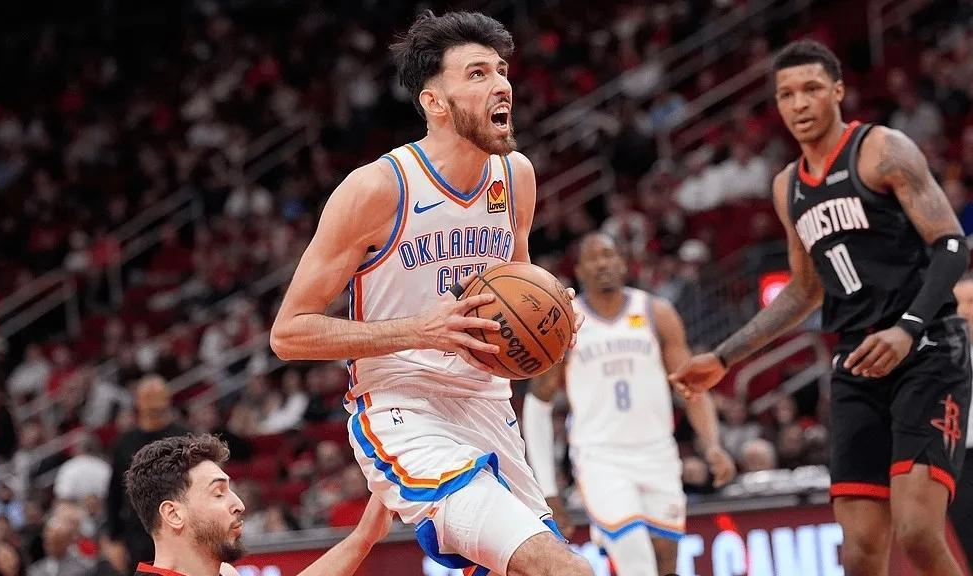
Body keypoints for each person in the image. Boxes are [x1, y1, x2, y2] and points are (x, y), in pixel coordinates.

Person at [269, 10, 589, 576]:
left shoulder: (516, 176)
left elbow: (517, 285)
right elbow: (289, 334)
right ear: (434, 102)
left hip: (489, 407)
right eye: (477, 74)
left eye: (501, 71)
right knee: (565, 570)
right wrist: (420, 330)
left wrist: (553, 314)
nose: (501, 84)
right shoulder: (378, 188)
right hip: (404, 407)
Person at [670, 40, 971, 576]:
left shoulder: (883, 149)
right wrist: (723, 357)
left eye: (811, 89)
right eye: (787, 94)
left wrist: (906, 328)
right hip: (857, 361)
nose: (800, 103)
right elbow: (804, 291)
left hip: (926, 349)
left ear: (838, 91)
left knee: (919, 532)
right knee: (859, 553)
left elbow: (951, 244)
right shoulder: (787, 186)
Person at [522, 233, 736, 576]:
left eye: (608, 255)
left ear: (623, 263)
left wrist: (712, 445)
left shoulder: (656, 312)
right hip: (600, 457)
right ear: (579, 270)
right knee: (636, 559)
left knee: (665, 561)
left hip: (658, 454)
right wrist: (547, 489)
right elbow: (538, 403)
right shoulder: (565, 321)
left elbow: (691, 387)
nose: (602, 263)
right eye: (592, 258)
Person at [125, 434, 393, 576]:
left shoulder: (225, 573)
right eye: (218, 493)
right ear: (173, 514)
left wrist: (363, 537)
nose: (239, 504)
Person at [107, 376, 191, 570]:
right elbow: (114, 494)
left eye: (157, 396)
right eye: (148, 397)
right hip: (137, 533)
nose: (153, 403)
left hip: (178, 529)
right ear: (138, 402)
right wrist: (114, 539)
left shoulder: (185, 438)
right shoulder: (124, 443)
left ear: (167, 399)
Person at [950, 272, 973, 570]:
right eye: (958, 303)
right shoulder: (937, 357)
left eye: (971, 302)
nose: (965, 311)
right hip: (958, 458)